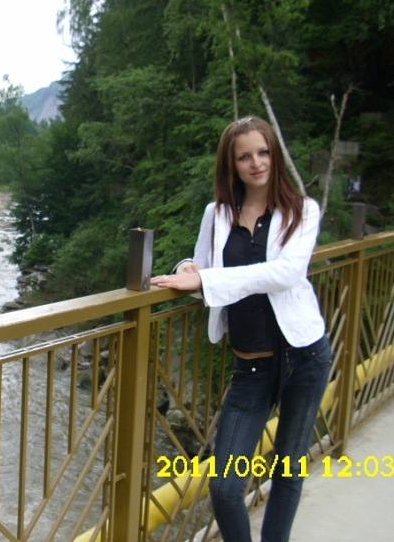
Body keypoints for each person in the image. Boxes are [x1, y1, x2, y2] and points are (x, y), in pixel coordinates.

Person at [151, 116, 331, 542]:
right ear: (230, 164)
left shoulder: (303, 210)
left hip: (304, 357)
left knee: (288, 469)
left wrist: (206, 280)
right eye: (245, 156)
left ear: (275, 154)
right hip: (250, 366)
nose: (257, 163)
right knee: (225, 486)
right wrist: (186, 268)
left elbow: (285, 274)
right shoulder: (216, 214)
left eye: (263, 152)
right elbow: (201, 267)